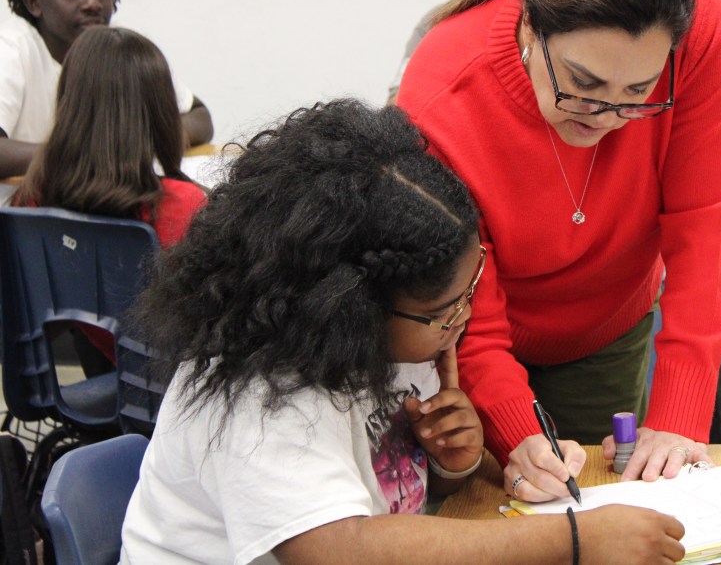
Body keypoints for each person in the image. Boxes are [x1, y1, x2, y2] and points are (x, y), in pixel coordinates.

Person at [118, 99, 687, 565]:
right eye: (443, 310)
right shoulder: (258, 395)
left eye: (473, 290)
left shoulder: (393, 340)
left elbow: (383, 496)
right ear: (345, 306)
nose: (462, 319)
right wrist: (574, 541)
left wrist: (452, 464)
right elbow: (338, 548)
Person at [396, 0, 721, 496]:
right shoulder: (444, 95)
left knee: (609, 499)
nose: (605, 117)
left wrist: (678, 420)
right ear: (531, 27)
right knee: (501, 503)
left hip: (610, 321)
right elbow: (464, 306)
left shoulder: (695, 22)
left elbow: (702, 223)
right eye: (583, 83)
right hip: (477, 332)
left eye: (639, 93)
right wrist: (516, 433)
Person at [13, 25, 206, 369]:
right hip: (174, 394)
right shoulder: (185, 206)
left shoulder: (33, 201)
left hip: (103, 377)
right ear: (160, 114)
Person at [0, 0, 214, 179]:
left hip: (101, 205)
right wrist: (91, 153)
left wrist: (147, 139)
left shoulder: (121, 46)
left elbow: (200, 118)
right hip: (21, 213)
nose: (92, 3)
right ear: (34, 2)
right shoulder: (11, 49)